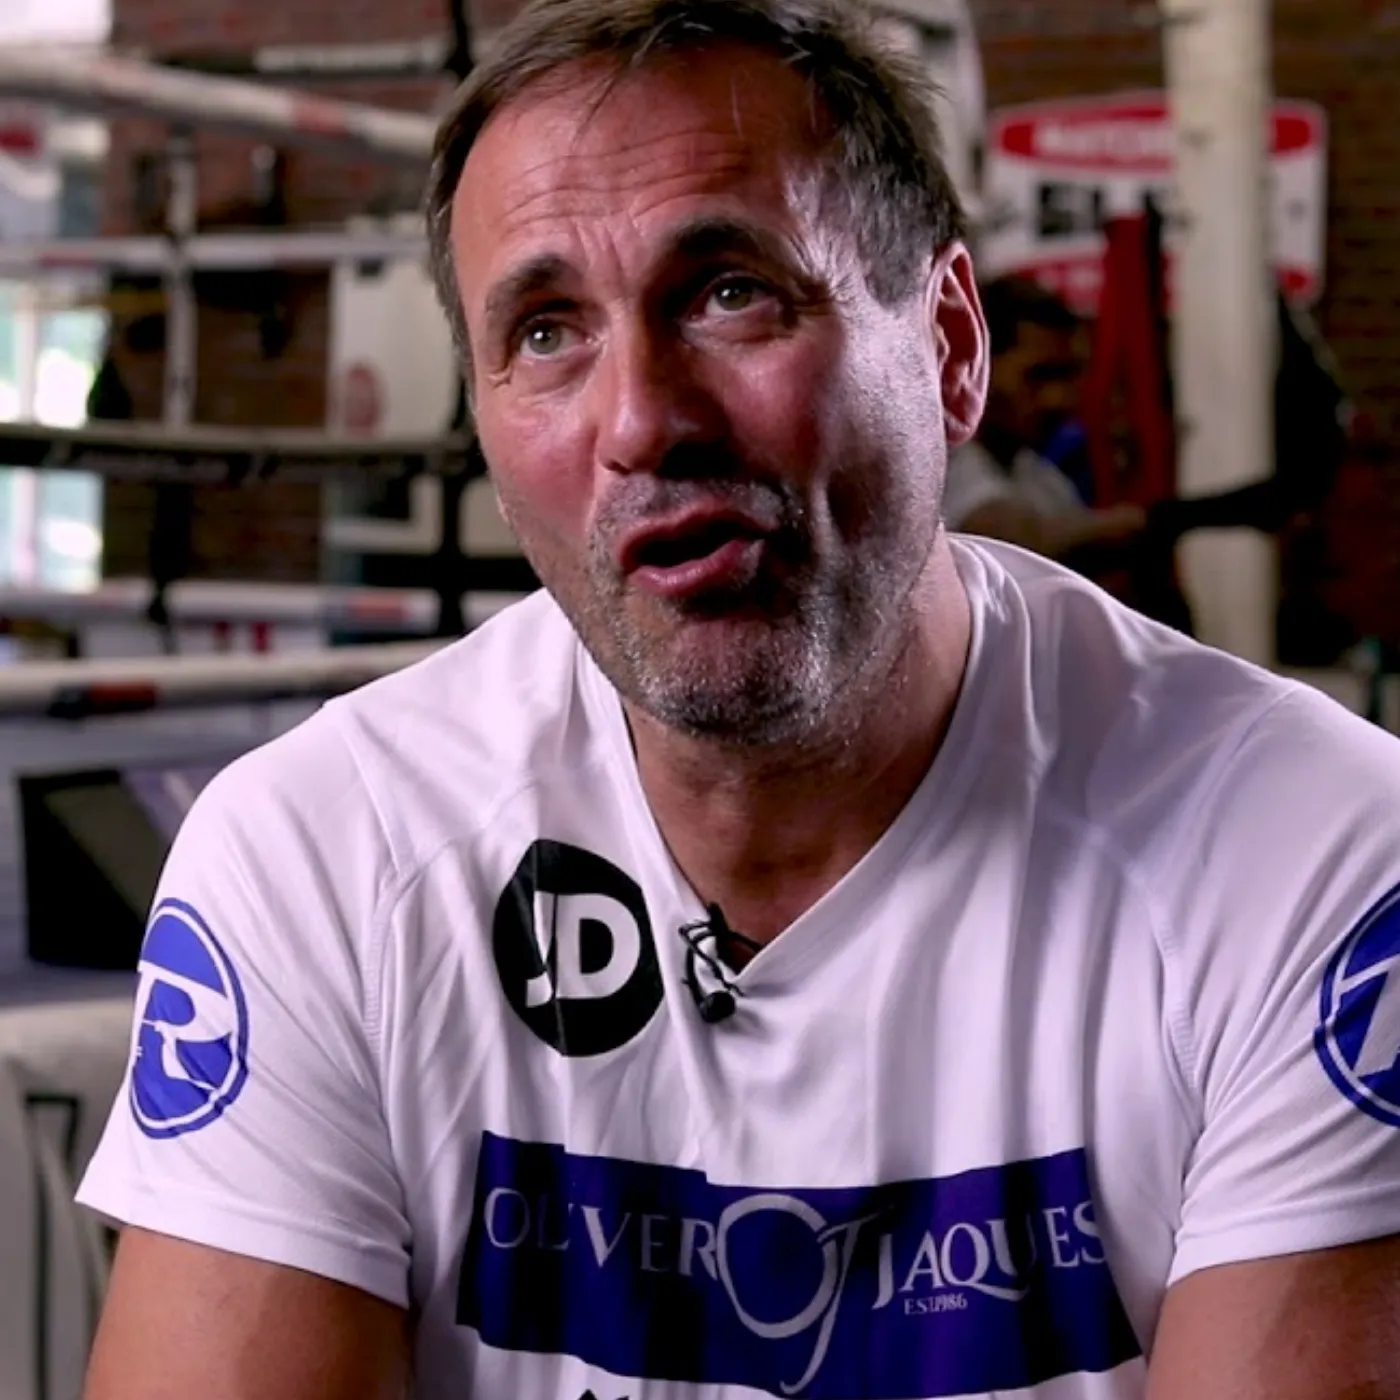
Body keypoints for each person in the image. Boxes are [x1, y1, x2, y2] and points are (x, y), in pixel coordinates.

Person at [76, 2, 1400, 1398]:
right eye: (546, 331)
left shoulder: (1309, 852)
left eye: (728, 292)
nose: (642, 420)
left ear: (950, 346)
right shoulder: (324, 857)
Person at [942, 276, 1148, 562]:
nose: (1059, 399)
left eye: (1069, 376)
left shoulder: (1042, 478)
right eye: (1040, 376)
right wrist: (1149, 521)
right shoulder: (941, 468)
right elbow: (1014, 540)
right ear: (973, 370)